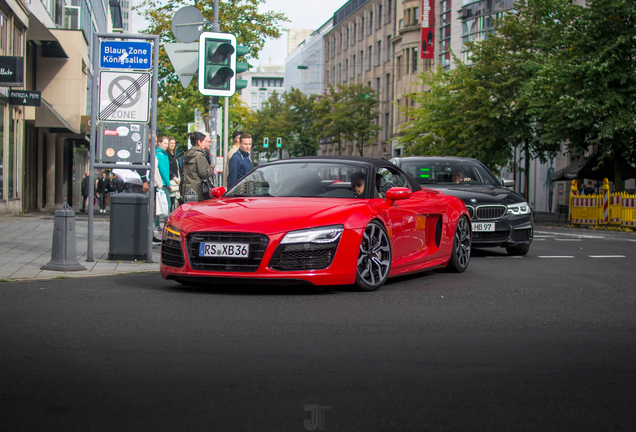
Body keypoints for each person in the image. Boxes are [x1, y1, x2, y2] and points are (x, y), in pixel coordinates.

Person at [182, 131, 217, 201]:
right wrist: (212, 166)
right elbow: (203, 173)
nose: (206, 144)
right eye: (204, 142)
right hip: (198, 191)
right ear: (199, 142)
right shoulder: (200, 155)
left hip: (187, 189)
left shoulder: (187, 154)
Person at [154, 136, 172, 232]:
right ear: (159, 143)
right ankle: (166, 227)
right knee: (166, 205)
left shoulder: (159, 154)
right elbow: (163, 170)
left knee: (158, 205)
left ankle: (157, 225)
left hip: (160, 183)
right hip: (162, 183)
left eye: (167, 143)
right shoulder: (161, 155)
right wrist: (169, 183)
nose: (166, 145)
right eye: (164, 143)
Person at [167, 136, 182, 208]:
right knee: (171, 202)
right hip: (172, 181)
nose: (173, 145)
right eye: (171, 143)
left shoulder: (175, 156)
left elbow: (178, 169)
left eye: (174, 143)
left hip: (178, 181)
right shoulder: (166, 155)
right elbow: (168, 169)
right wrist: (176, 179)